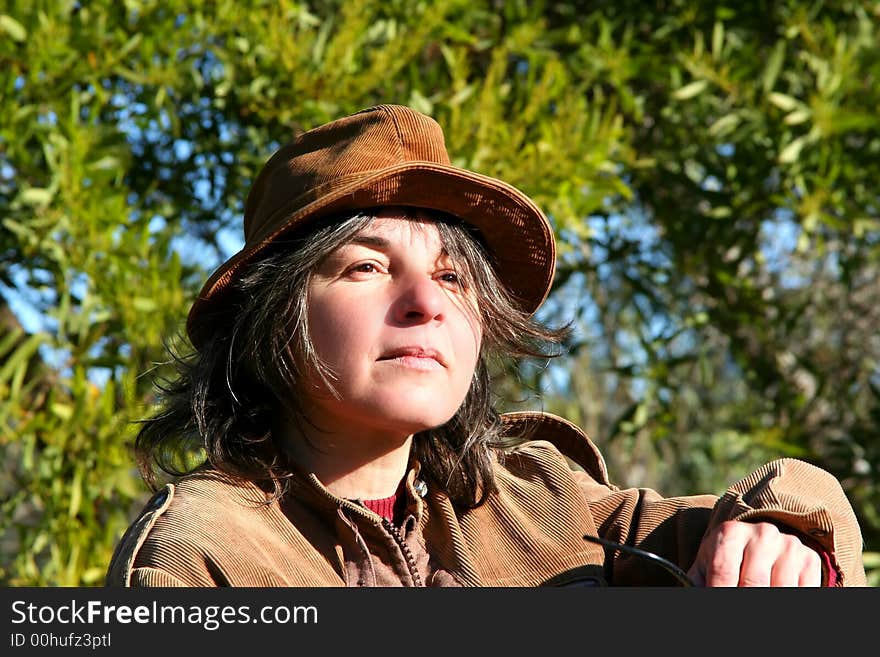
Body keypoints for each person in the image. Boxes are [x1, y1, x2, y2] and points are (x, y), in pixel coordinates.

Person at [106, 104, 867, 587]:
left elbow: (788, 508)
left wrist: (785, 535)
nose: (426, 303)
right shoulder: (201, 557)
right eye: (366, 266)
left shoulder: (540, 498)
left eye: (452, 276)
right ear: (269, 316)